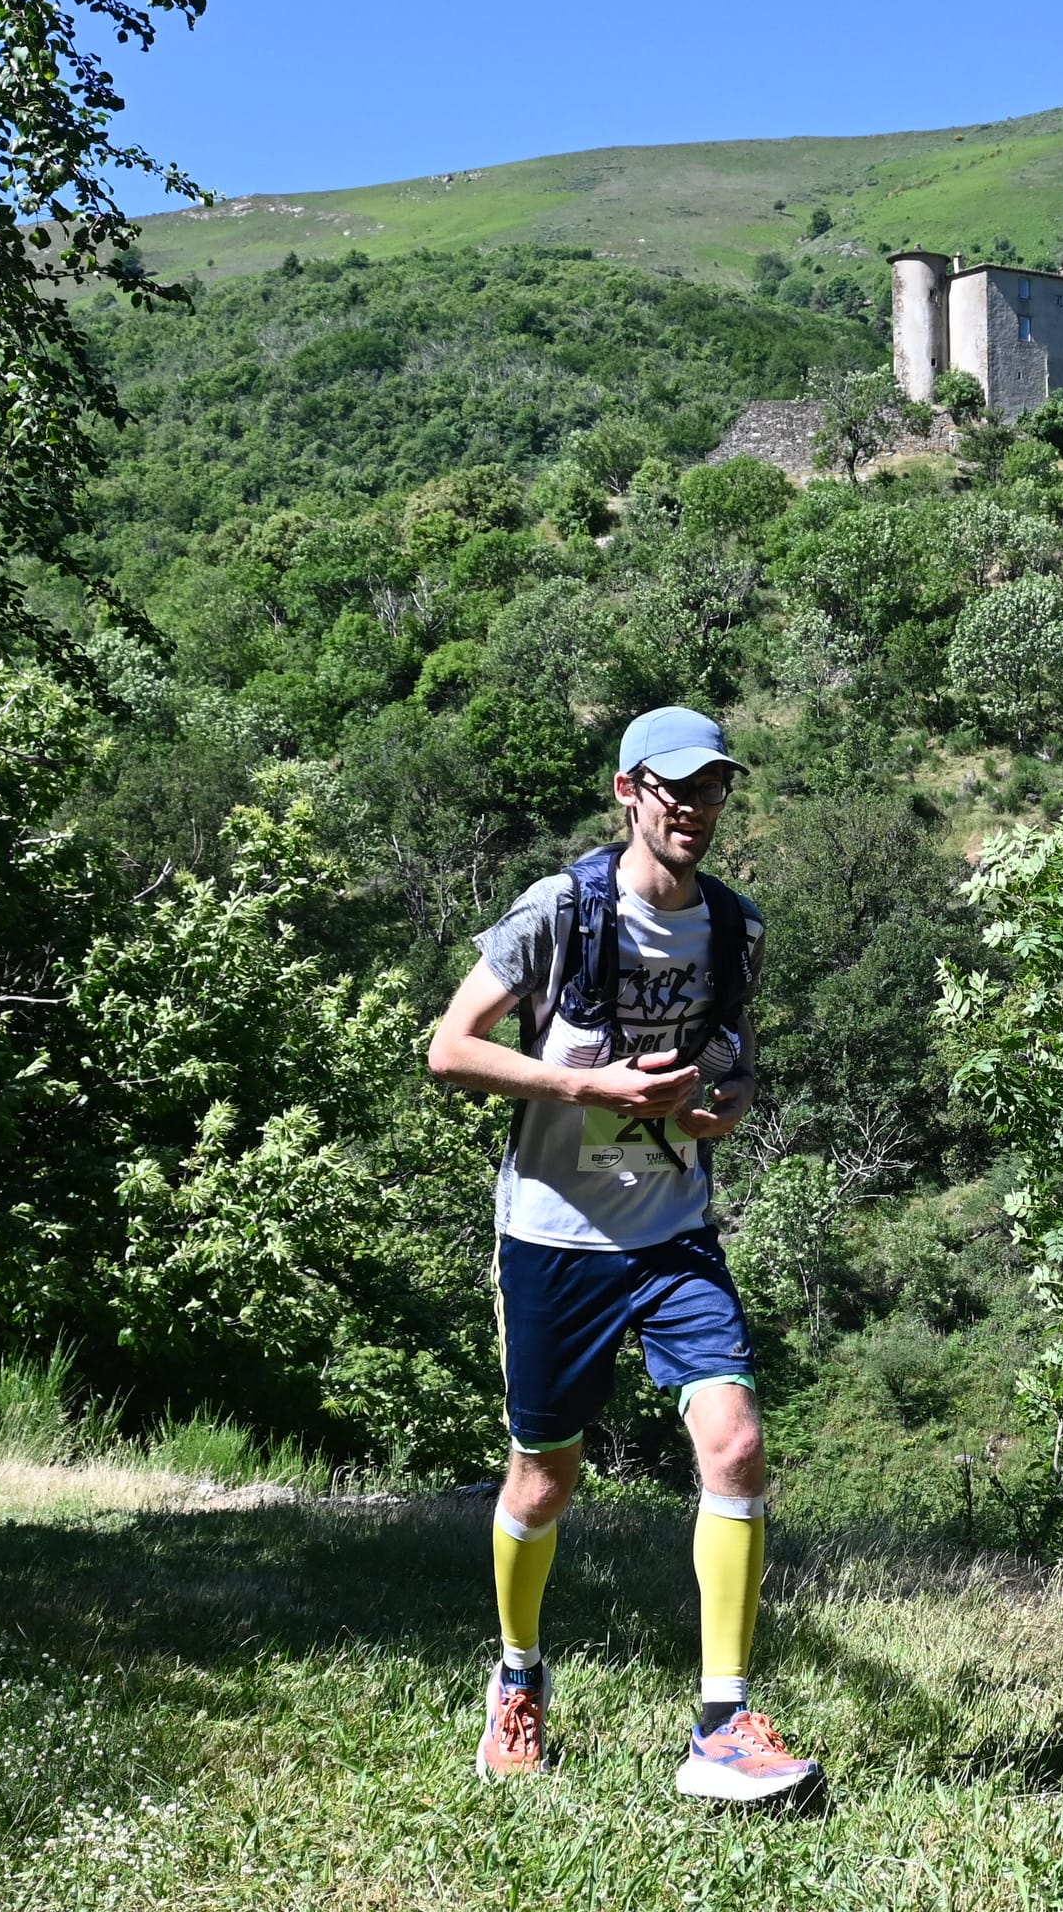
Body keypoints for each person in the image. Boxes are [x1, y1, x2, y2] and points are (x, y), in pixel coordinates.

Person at [428, 705, 821, 1802]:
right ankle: (516, 1676)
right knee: (544, 1477)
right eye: (670, 787)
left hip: (671, 1231)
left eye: (710, 789)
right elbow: (448, 1048)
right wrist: (584, 1085)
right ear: (626, 791)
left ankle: (723, 1720)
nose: (691, 807)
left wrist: (725, 1108)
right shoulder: (562, 909)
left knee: (735, 1446)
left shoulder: (733, 930)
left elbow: (733, 1068)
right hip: (553, 1236)